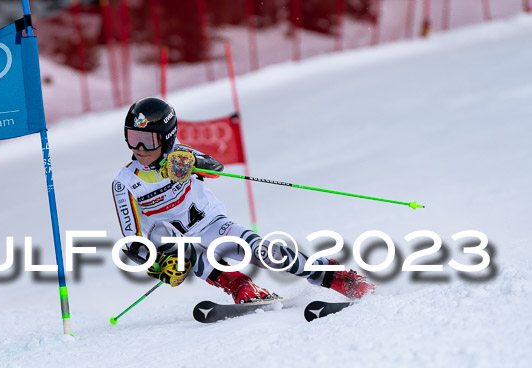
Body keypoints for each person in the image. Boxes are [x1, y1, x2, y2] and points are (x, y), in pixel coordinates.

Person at [112, 97, 375, 304]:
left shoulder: (180, 155)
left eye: (147, 141)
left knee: (267, 253)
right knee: (164, 235)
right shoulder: (124, 183)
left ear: (168, 138)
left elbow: (216, 168)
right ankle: (239, 285)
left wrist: (194, 163)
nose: (139, 149)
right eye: (133, 138)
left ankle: (338, 276)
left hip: (213, 225)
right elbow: (132, 242)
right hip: (178, 244)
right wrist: (156, 264)